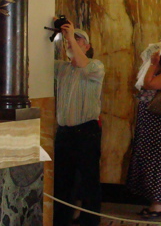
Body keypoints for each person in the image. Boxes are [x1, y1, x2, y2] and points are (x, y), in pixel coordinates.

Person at [53, 22, 105, 226]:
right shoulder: (61, 68)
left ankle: (90, 220)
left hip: (87, 132)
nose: (72, 41)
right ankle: (61, 219)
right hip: (64, 133)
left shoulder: (95, 66)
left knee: (89, 179)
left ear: (87, 46)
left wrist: (71, 36)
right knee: (62, 180)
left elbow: (83, 65)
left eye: (79, 39)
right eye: (72, 38)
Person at [127, 48, 161, 218]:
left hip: (159, 129)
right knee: (148, 162)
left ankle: (159, 204)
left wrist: (153, 65)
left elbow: (148, 84)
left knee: (158, 162)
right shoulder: (156, 73)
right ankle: (153, 203)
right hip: (148, 128)